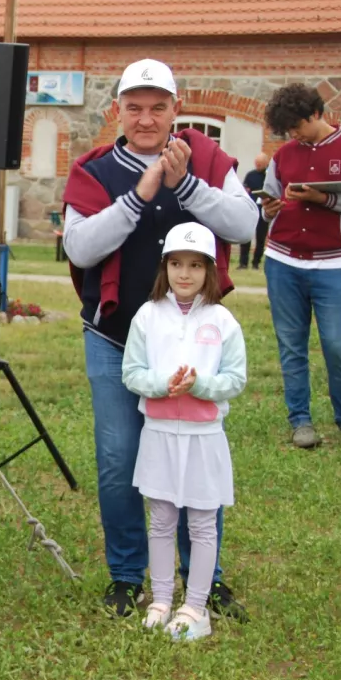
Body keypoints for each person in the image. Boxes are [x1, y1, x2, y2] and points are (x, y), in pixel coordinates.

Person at [62, 59, 258, 620]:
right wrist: (142, 192)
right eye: (134, 107)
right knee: (120, 458)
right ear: (117, 111)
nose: (146, 118)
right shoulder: (96, 170)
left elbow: (244, 226)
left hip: (191, 343)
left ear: (176, 109)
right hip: (115, 334)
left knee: (194, 457)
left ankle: (204, 579)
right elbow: (80, 248)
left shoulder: (208, 158)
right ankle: (127, 576)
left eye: (158, 106)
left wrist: (187, 185)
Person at [122, 222, 246, 641]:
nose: (185, 274)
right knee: (160, 518)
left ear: (210, 270)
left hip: (203, 437)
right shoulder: (147, 315)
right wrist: (162, 385)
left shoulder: (223, 320)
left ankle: (195, 607)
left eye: (195, 265)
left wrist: (200, 386)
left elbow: (235, 379)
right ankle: (160, 599)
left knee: (202, 522)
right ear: (165, 267)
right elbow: (132, 372)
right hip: (158, 432)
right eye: (176, 264)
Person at [259, 83, 341, 449]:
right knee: (291, 345)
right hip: (281, 260)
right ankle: (300, 421)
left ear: (316, 113)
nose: (292, 135)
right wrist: (268, 210)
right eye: (287, 130)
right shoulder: (283, 155)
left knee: (336, 344)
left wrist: (322, 198)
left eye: (296, 126)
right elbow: (270, 198)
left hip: (332, 265)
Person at [239, 153, 270, 270]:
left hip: (263, 210)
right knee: (246, 236)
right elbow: (245, 189)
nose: (257, 165)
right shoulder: (251, 175)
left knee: (260, 237)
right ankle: (243, 263)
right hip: (250, 209)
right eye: (256, 163)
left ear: (266, 163)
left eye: (260, 164)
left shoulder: (269, 175)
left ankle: (256, 262)